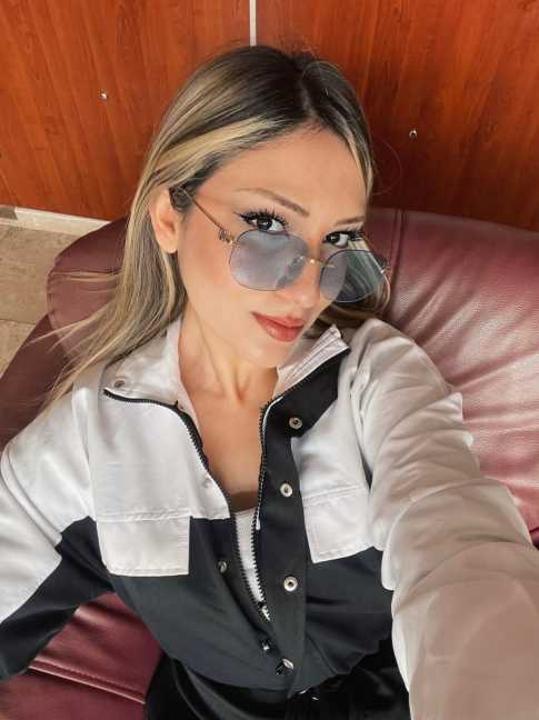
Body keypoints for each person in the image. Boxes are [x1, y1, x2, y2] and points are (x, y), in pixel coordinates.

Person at [1, 44, 538, 720]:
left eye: (337, 242)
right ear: (169, 218)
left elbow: (458, 539)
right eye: (266, 227)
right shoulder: (89, 436)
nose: (308, 290)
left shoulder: (376, 376)